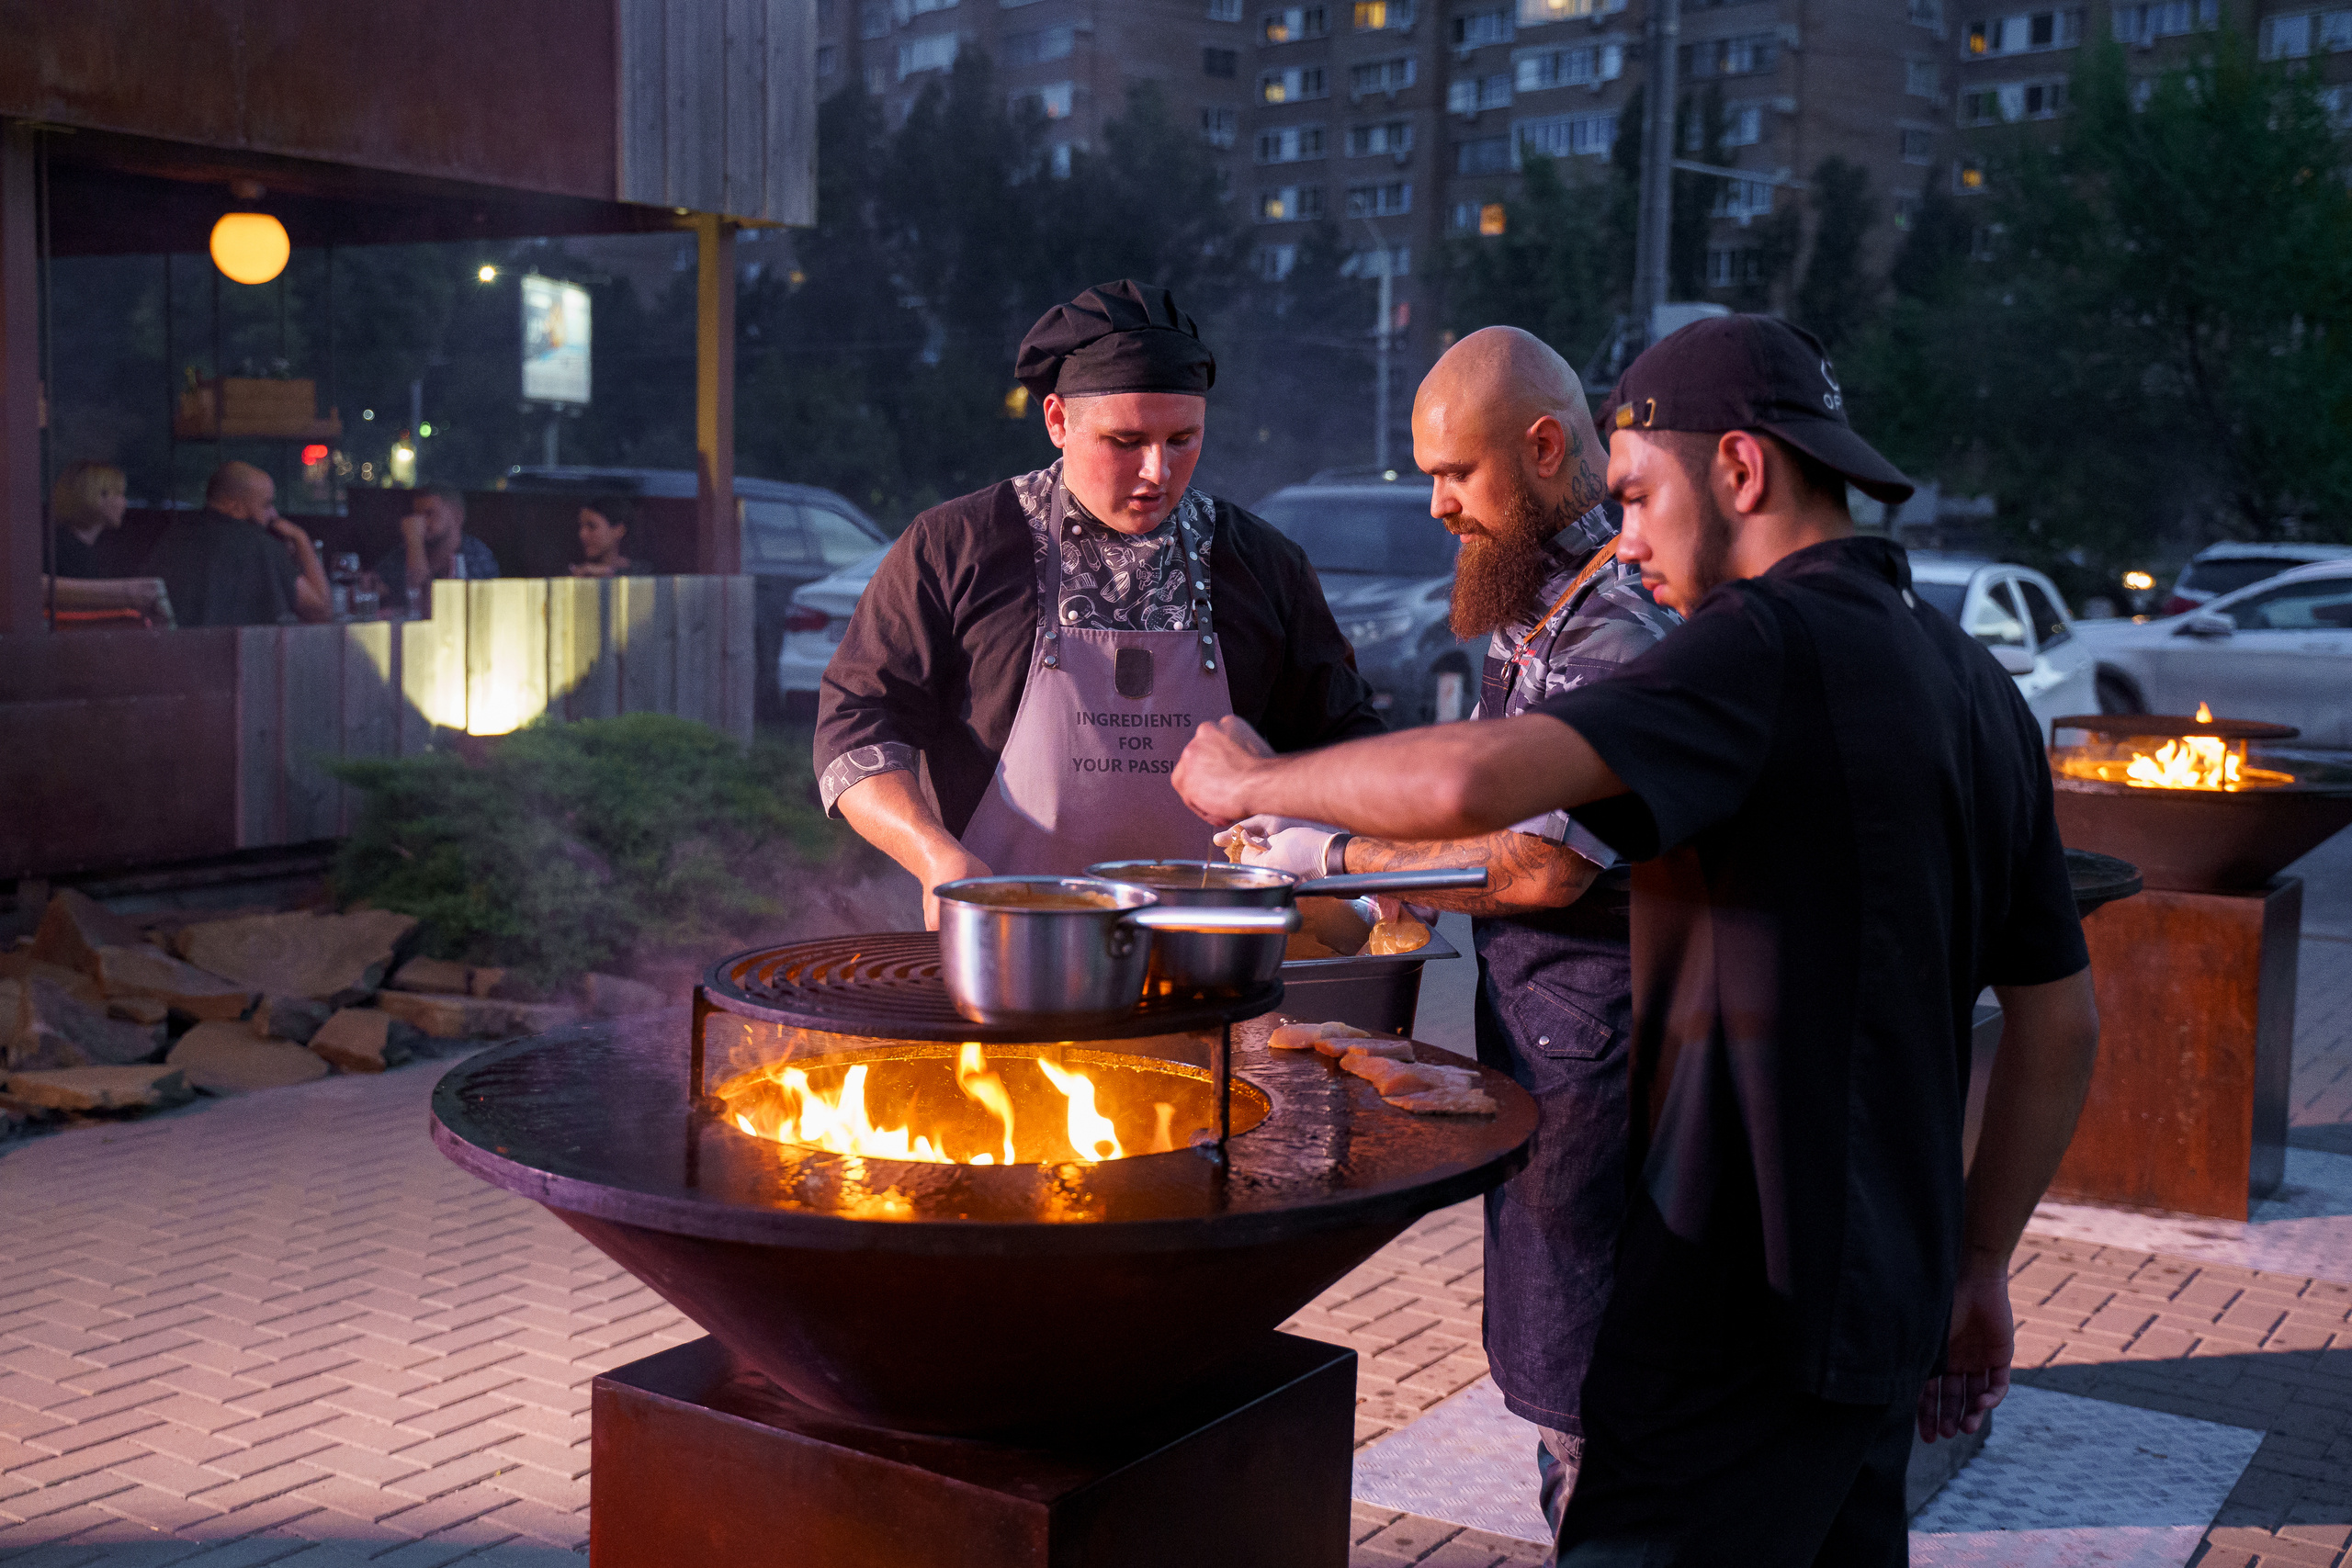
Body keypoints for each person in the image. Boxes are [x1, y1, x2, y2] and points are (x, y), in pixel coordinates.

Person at [1171, 315, 2101, 1567]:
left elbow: (1479, 783)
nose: (1627, 539)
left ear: (1741, 470)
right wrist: (1979, 1264)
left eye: (1637, 496)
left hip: (1731, 1310)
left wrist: (1260, 785)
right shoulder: (1977, 685)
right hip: (1887, 1303)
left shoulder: (1761, 642)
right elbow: (2059, 1021)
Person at [1220, 327, 1676, 1528]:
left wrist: (1326, 848)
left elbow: (1535, 867)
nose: (1434, 506)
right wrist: (1371, 878)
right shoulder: (1539, 608)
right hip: (1546, 1048)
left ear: (1540, 450)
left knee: (1601, 1401)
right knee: (1560, 1372)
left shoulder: (1612, 626)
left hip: (1613, 1064)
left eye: (1454, 475)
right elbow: (1471, 815)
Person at [815, 278, 1385, 926]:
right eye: (1125, 442)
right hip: (1011, 948)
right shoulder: (955, 548)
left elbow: (1345, 738)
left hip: (1215, 950)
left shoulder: (1263, 565)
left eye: (1182, 441)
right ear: (1058, 420)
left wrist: (1372, 851)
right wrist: (932, 852)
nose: (1156, 473)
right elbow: (855, 726)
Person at [143, 460, 332, 627]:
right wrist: (302, 539)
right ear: (234, 506)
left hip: (175, 660)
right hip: (248, 662)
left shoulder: (171, 540)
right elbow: (320, 610)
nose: (273, 515)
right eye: (266, 505)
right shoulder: (262, 547)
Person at [374, 486, 499, 615]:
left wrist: (415, 542)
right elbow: (371, 592)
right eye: (417, 515)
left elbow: (436, 611)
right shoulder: (402, 554)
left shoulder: (477, 555)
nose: (420, 522)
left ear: (457, 516)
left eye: (429, 513)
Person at [51, 460, 131, 579]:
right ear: (99, 496)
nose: (125, 503)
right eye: (119, 494)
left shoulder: (66, 547)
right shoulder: (69, 554)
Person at [570, 499, 650, 577]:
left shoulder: (643, 574)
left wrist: (611, 574)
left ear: (619, 530)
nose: (582, 534)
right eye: (580, 526)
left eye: (592, 526)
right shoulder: (576, 572)